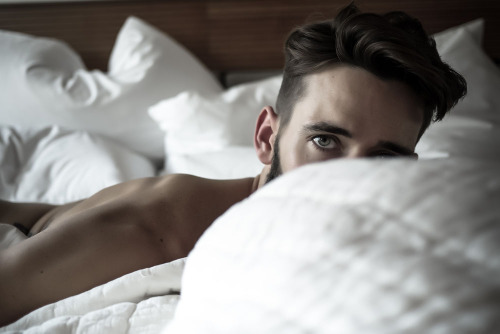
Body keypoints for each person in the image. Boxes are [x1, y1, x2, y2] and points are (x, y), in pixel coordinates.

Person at [0, 3, 466, 326]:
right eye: (325, 140)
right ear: (267, 137)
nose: (349, 179)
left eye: (384, 157)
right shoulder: (158, 228)